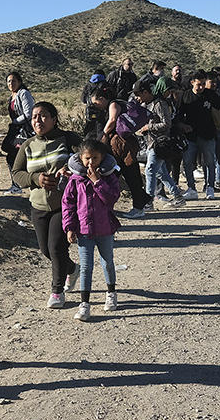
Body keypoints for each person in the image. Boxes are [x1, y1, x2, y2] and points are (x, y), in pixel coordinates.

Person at [11, 101, 81, 308]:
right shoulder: (28, 145)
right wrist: (35, 179)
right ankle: (72, 269)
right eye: (34, 117)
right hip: (38, 205)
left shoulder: (68, 139)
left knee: (56, 247)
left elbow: (89, 158)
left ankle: (57, 291)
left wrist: (73, 172)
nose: (37, 120)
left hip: (65, 205)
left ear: (54, 119)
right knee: (45, 250)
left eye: (43, 116)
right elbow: (16, 174)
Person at [62, 139, 121, 322]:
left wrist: (97, 182)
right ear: (80, 158)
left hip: (105, 229)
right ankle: (85, 304)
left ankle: (111, 292)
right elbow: (68, 205)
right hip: (84, 230)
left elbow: (111, 198)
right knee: (86, 267)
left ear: (102, 158)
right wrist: (69, 227)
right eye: (87, 158)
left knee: (107, 262)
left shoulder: (109, 177)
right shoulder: (75, 179)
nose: (90, 162)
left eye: (95, 158)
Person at [86, 85, 147, 218]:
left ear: (102, 98)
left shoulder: (113, 104)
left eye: (96, 102)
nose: (96, 106)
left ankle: (138, 206)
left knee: (127, 174)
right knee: (126, 174)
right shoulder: (117, 103)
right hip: (124, 146)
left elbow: (112, 120)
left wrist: (103, 136)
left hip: (121, 146)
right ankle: (142, 201)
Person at [176, 71, 220, 200]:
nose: (201, 87)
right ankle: (191, 188)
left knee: (209, 162)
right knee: (188, 163)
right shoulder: (185, 97)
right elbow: (178, 116)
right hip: (191, 137)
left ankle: (210, 187)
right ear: (192, 83)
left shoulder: (210, 95)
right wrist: (182, 126)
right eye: (198, 84)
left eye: (203, 84)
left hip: (208, 135)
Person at [135, 83, 185, 208]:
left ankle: (148, 202)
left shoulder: (159, 104)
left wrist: (149, 127)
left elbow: (166, 124)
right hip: (151, 143)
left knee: (150, 170)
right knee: (161, 173)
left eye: (138, 95)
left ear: (146, 92)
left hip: (160, 144)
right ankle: (178, 196)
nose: (137, 98)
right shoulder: (144, 105)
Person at [2, 71, 35, 193]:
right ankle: (18, 183)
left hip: (24, 130)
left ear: (19, 82)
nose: (11, 83)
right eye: (9, 81)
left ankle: (21, 183)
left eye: (13, 81)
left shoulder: (23, 93)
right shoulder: (12, 96)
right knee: (11, 153)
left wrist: (15, 121)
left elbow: (29, 113)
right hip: (16, 130)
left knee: (15, 155)